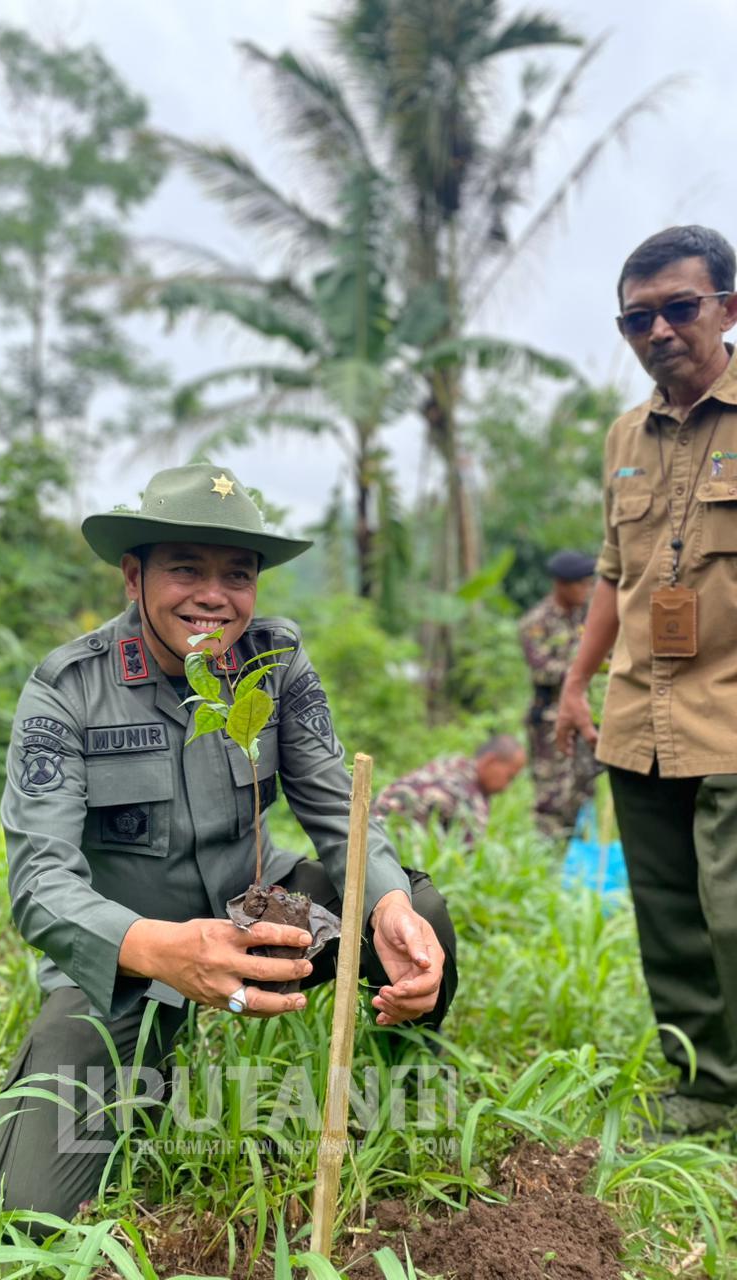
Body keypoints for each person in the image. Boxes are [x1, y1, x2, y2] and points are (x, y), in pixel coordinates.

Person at [0, 463, 458, 1226]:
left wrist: (388, 900)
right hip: (132, 959)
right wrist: (161, 950)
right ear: (133, 576)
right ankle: (152, 1058)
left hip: (258, 914)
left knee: (416, 908)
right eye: (185, 568)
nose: (213, 594)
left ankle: (402, 1068)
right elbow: (39, 885)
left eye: (237, 573)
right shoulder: (68, 689)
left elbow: (337, 804)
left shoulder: (275, 662)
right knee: (24, 1208)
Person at [557, 224, 737, 1135]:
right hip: (640, 717)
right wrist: (577, 682)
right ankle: (704, 1090)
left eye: (679, 308)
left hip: (733, 715)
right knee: (668, 916)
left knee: (733, 912)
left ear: (728, 309)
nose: (659, 330)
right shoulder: (625, 434)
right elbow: (613, 572)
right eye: (637, 318)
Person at [519, 550, 602, 839]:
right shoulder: (537, 622)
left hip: (588, 718)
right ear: (561, 584)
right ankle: (548, 858)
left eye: (590, 583)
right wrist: (585, 667)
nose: (588, 589)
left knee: (584, 789)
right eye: (581, 583)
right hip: (550, 720)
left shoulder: (592, 615)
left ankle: (576, 857)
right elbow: (542, 670)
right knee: (551, 793)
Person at [371, 736, 525, 848]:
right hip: (388, 848)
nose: (507, 787)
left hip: (365, 825)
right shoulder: (470, 798)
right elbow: (466, 861)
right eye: (509, 777)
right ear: (490, 761)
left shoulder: (451, 763)